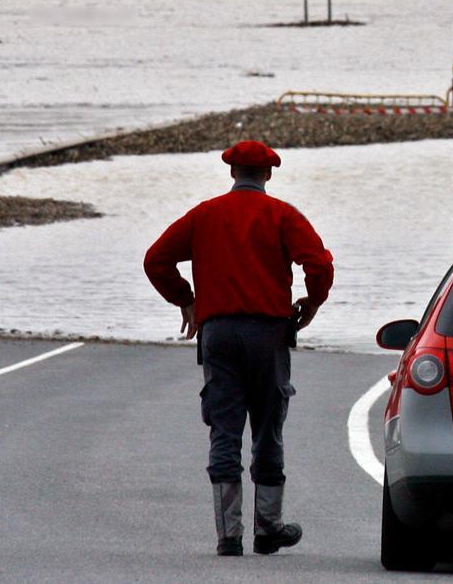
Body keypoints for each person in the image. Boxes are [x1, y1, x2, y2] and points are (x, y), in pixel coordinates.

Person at [143, 140, 334, 557]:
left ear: (232, 173)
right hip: (268, 334)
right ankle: (267, 528)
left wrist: (185, 299)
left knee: (224, 428)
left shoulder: (203, 215)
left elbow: (155, 260)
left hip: (218, 333)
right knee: (268, 424)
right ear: (268, 174)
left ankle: (228, 536)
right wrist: (313, 301)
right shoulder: (283, 215)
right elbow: (318, 263)